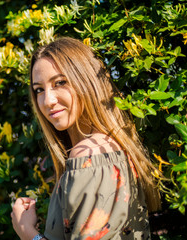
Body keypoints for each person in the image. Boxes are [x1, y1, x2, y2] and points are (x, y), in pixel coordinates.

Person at [11, 37, 161, 240]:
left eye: (60, 83)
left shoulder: (91, 155)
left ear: (85, 82)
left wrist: (28, 232)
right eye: (39, 90)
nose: (47, 101)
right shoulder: (104, 151)